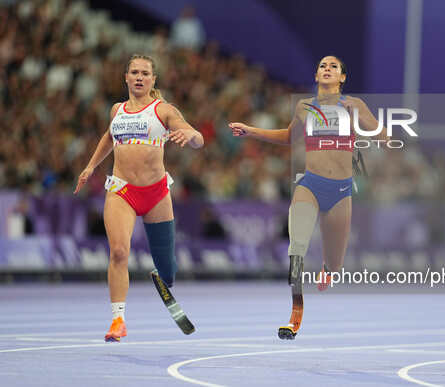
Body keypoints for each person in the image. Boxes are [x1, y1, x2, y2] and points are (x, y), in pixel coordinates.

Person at [229, 55, 385, 339]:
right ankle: (295, 314)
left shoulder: (354, 105)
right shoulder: (305, 107)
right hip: (310, 185)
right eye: (322, 66)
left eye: (333, 66)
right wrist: (251, 131)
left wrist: (364, 124)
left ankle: (328, 268)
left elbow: (385, 137)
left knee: (335, 264)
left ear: (342, 78)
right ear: (316, 76)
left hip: (340, 192)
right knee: (296, 248)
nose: (327, 69)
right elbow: (290, 137)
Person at [74, 54, 204, 342]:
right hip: (122, 191)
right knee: (119, 252)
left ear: (153, 79)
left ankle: (162, 276)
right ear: (126, 77)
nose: (139, 77)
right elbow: (109, 138)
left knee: (168, 269)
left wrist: (191, 136)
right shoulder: (116, 110)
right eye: (134, 72)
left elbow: (197, 137)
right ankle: (118, 320)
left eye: (145, 73)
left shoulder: (163, 110)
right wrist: (91, 166)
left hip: (156, 193)